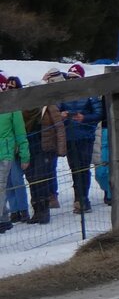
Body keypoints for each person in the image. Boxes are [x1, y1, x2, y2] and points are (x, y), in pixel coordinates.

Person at [59, 65, 103, 213]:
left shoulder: (90, 93)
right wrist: (62, 115)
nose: (71, 80)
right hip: (69, 135)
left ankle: (83, 199)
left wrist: (84, 118)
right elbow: (56, 111)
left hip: (85, 135)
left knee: (83, 168)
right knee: (74, 168)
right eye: (69, 77)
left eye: (74, 78)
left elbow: (99, 113)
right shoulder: (63, 95)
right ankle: (78, 197)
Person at [21, 96, 65, 225]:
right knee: (31, 179)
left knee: (41, 178)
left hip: (45, 148)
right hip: (29, 149)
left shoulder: (48, 107)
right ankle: (37, 210)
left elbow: (59, 127)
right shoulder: (22, 111)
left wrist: (61, 149)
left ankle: (44, 210)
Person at [0, 101, 31, 232]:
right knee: (2, 188)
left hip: (5, 154)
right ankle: (4, 218)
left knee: (0, 186)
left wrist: (25, 155)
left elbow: (20, 132)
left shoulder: (12, 105)